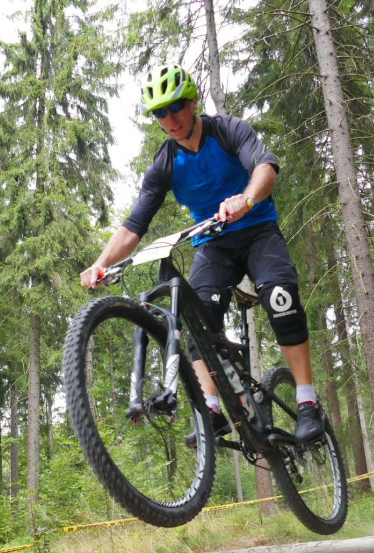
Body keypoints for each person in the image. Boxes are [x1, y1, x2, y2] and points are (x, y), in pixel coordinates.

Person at [80, 63, 324, 445]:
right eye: (160, 112)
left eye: (176, 106)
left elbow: (266, 167)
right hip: (212, 244)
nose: (170, 118)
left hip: (258, 230)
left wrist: (246, 198)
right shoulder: (164, 164)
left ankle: (307, 401)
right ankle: (212, 407)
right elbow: (133, 226)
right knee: (194, 320)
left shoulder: (228, 130)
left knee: (281, 300)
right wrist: (100, 264)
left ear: (193, 102)